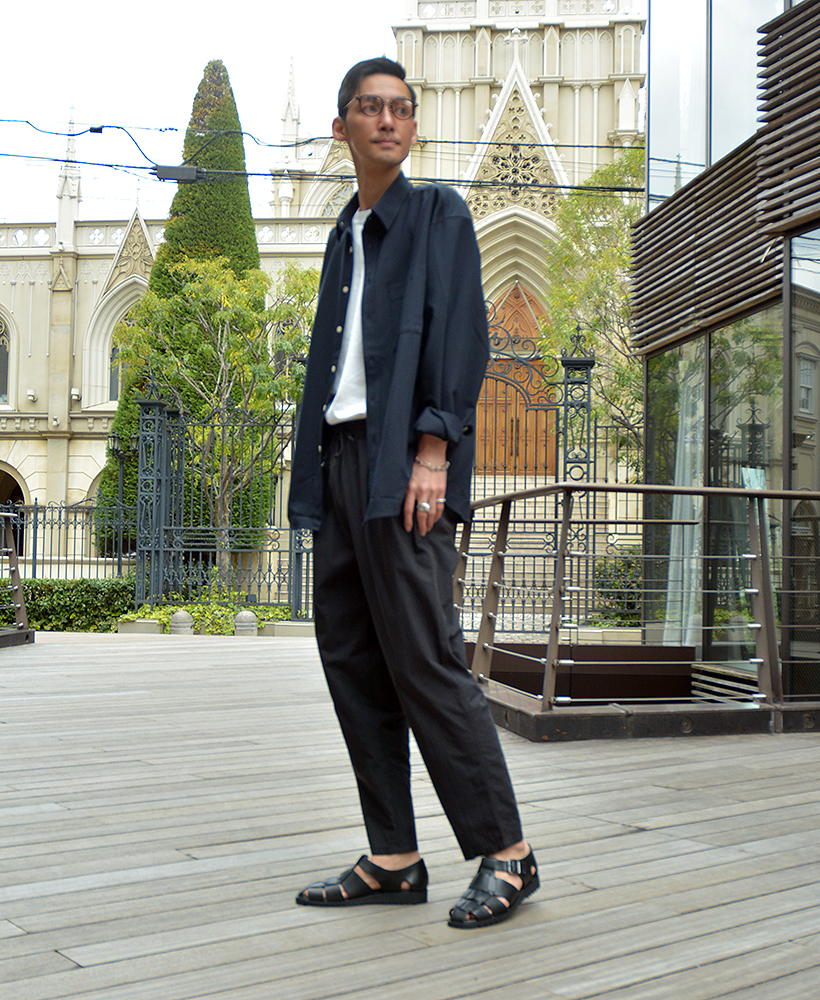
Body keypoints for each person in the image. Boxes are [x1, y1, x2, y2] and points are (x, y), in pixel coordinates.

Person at [287, 56, 537, 929]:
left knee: (427, 657)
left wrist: (434, 449)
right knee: (353, 660)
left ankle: (508, 853)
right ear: (342, 127)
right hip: (339, 461)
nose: (387, 120)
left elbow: (463, 331)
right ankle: (393, 855)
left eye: (400, 108)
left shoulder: (439, 213)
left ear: (414, 125)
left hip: (404, 464)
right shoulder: (342, 235)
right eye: (370, 107)